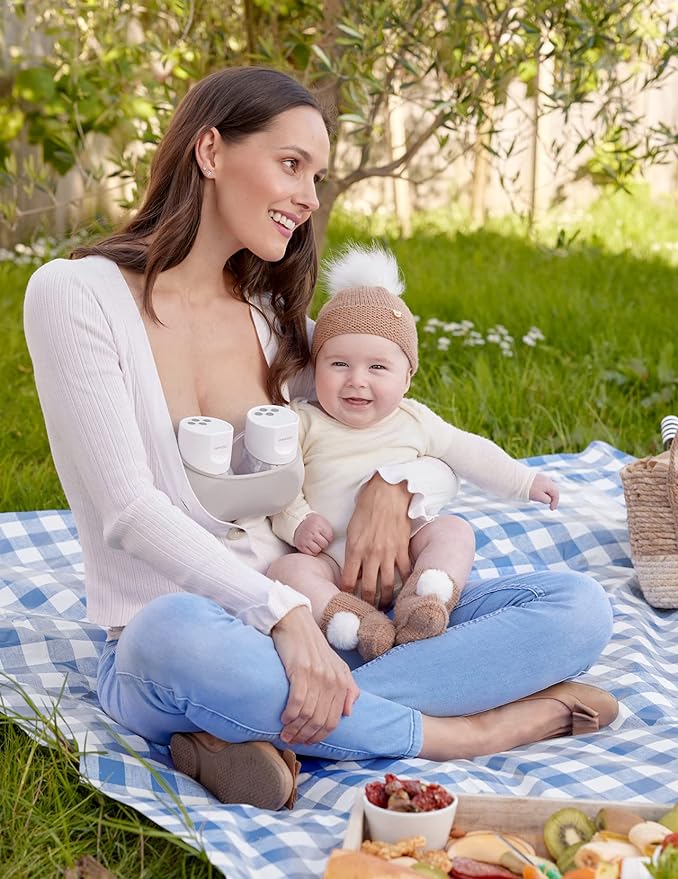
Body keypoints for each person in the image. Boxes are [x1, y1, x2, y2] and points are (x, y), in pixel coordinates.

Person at [23, 66, 617, 813]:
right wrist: (283, 614)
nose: (309, 197)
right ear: (210, 151)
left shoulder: (277, 322)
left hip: (334, 623)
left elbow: (413, 431)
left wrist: (392, 490)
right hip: (201, 634)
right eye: (291, 164)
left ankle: (247, 730)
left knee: (575, 606)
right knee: (168, 636)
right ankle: (464, 730)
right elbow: (128, 511)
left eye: (318, 175)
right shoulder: (75, 295)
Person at [268, 244, 560, 661]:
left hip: (405, 554)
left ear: (408, 376)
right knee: (287, 572)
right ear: (315, 369)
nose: (357, 381)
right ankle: (350, 620)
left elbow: (470, 452)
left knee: (454, 531)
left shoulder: (414, 420)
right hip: (331, 564)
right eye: (338, 364)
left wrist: (526, 481)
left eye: (378, 367)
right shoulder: (304, 421)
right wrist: (298, 521)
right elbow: (277, 484)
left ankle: (425, 600)